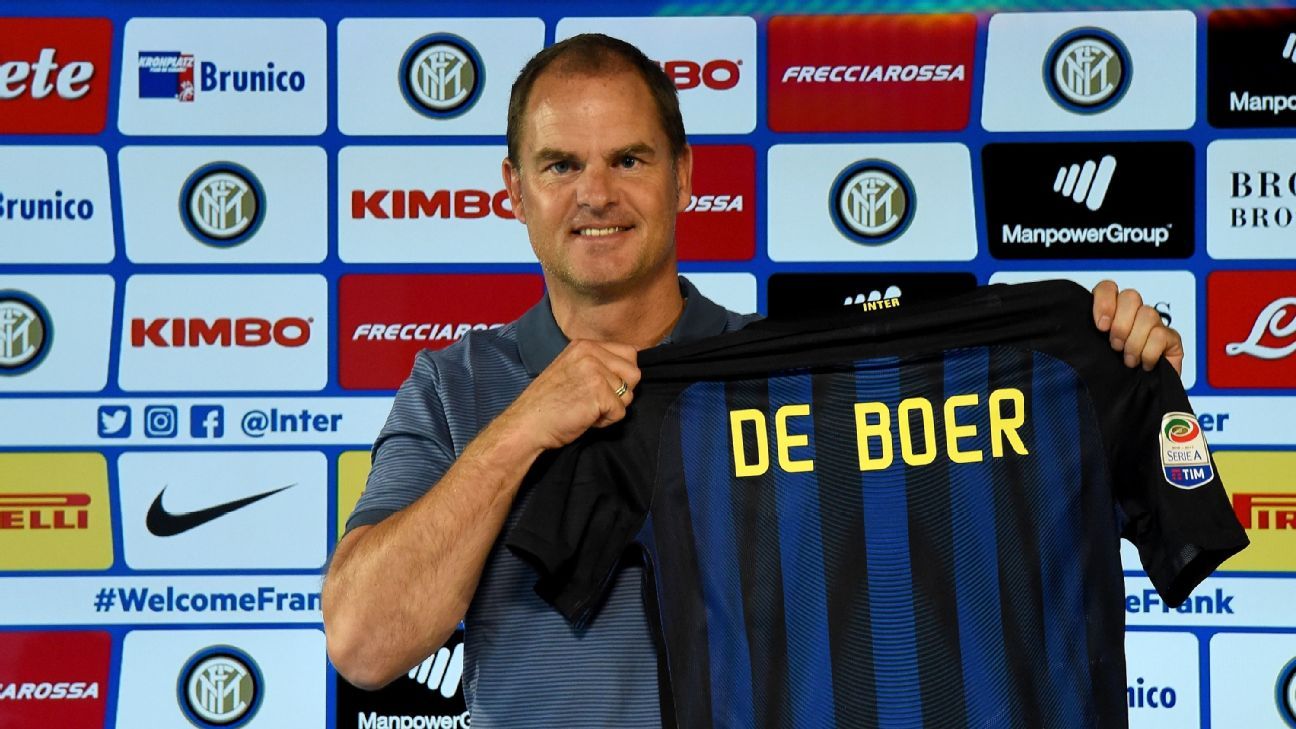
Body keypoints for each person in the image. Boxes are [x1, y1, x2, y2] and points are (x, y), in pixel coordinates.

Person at [322, 33, 1184, 727]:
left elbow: (959, 538)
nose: (596, 193)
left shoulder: (793, 377)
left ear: (684, 176)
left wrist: (1106, 385)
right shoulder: (452, 387)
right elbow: (363, 642)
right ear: (514, 189)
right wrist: (521, 429)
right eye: (560, 165)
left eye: (629, 160)